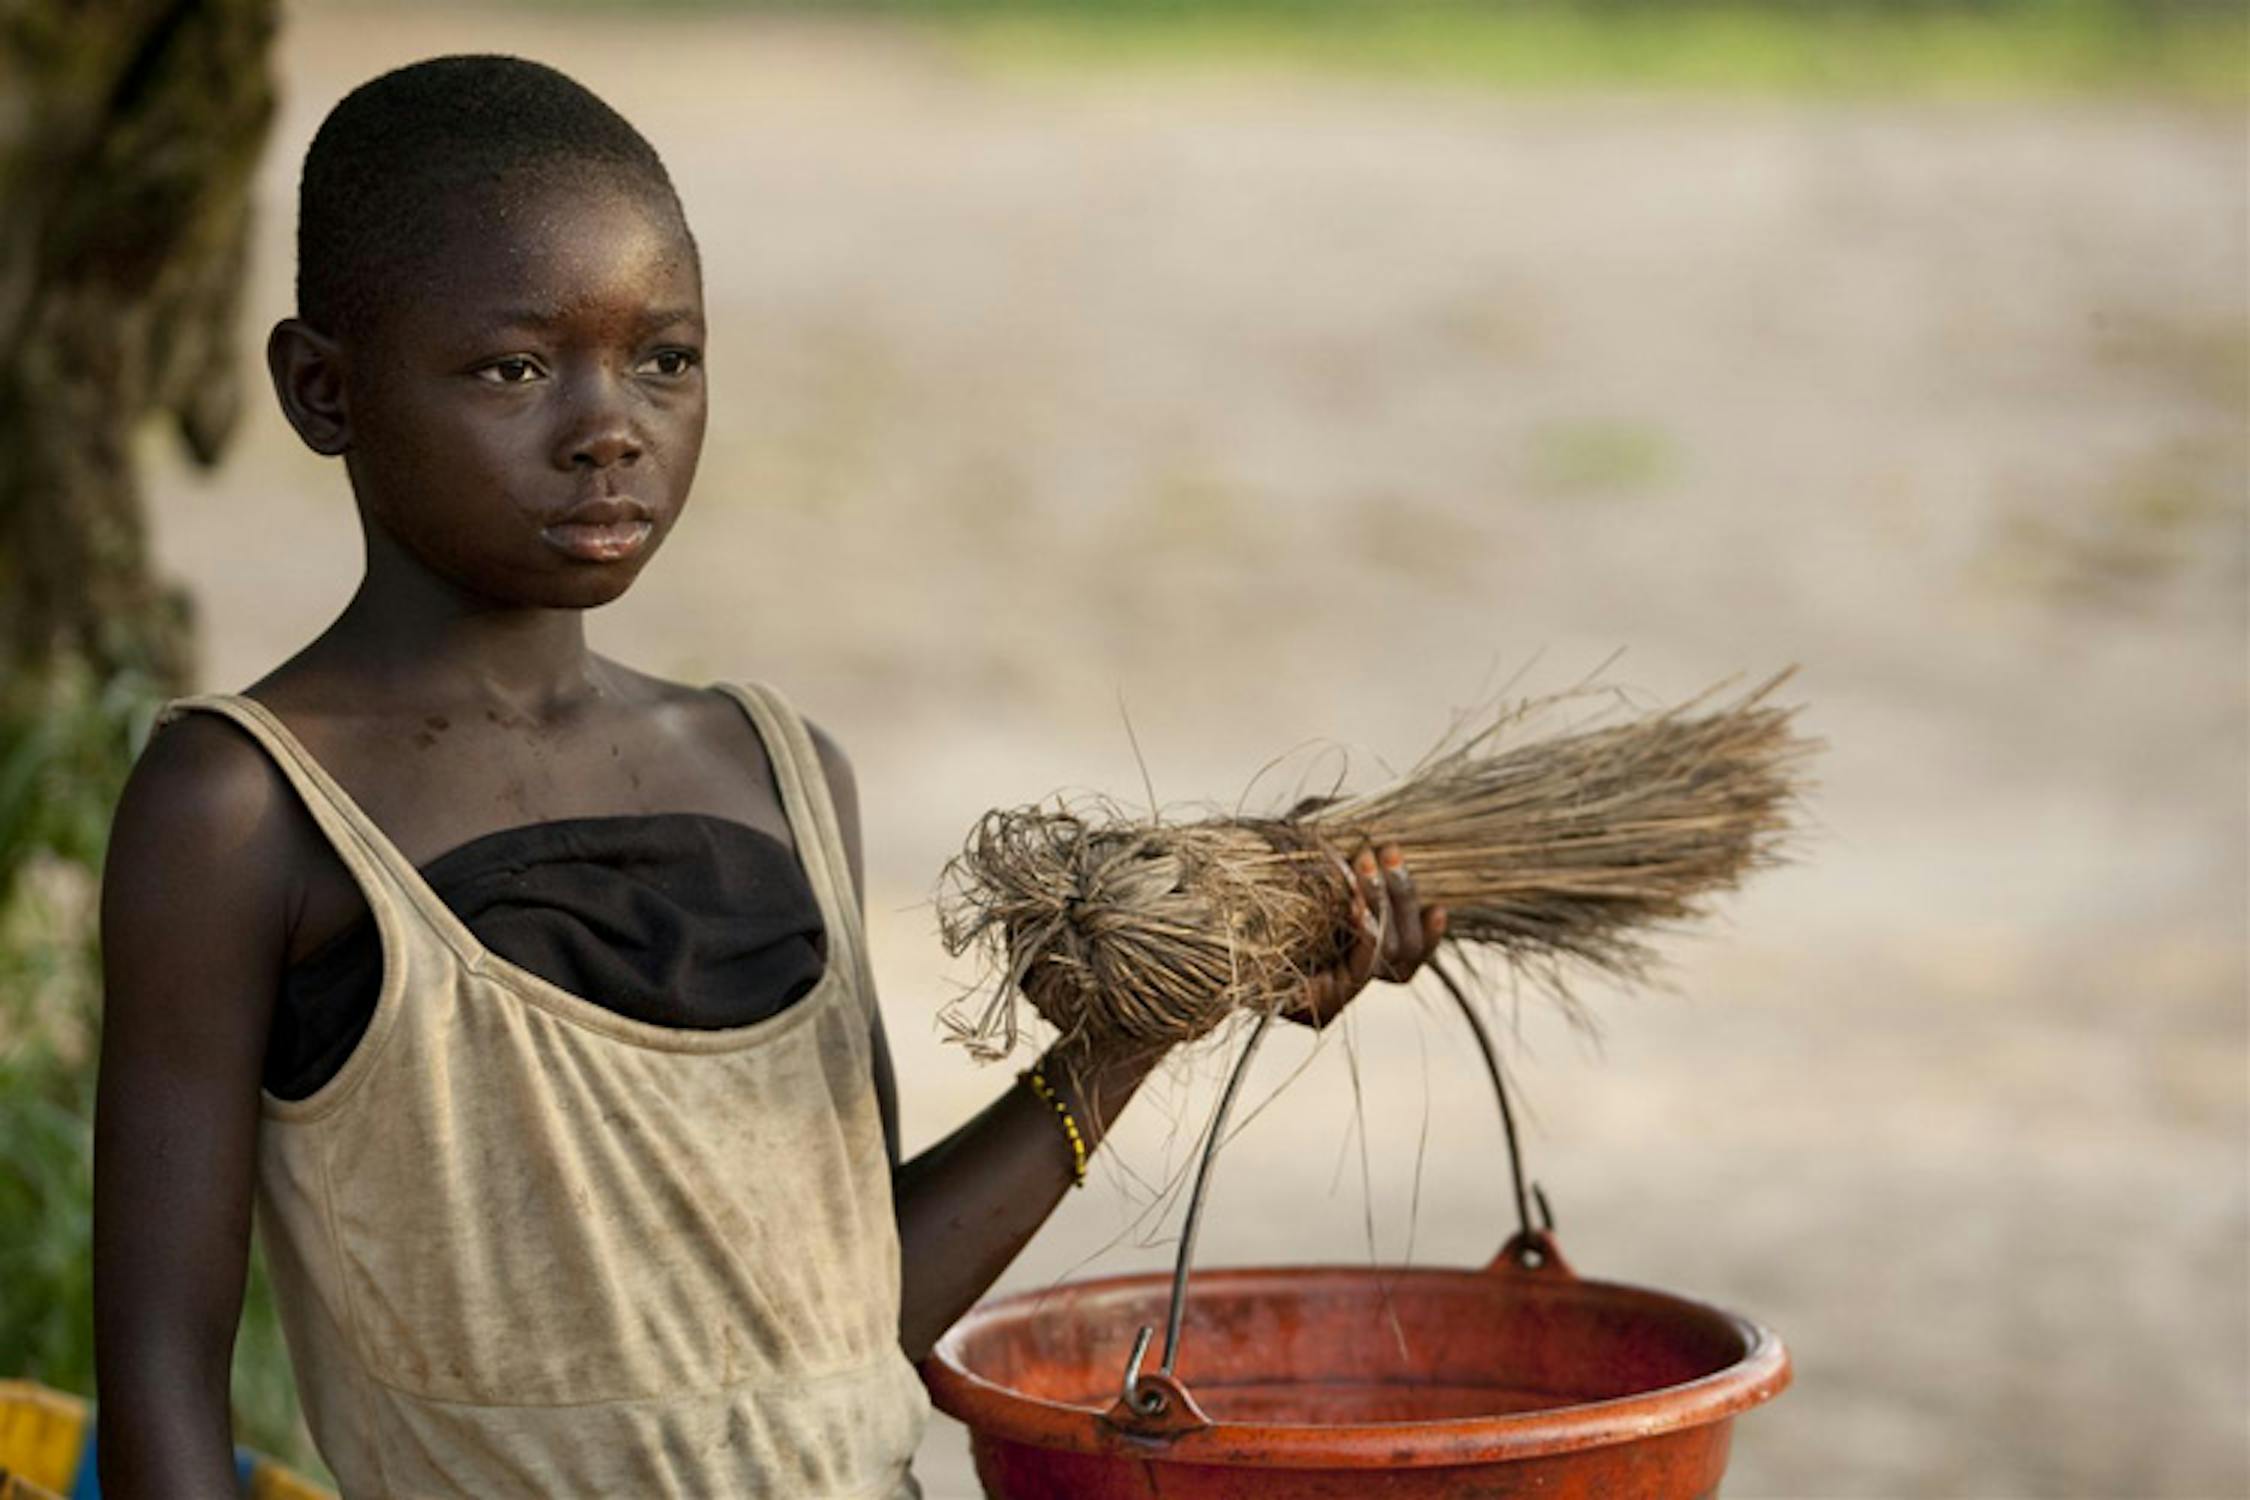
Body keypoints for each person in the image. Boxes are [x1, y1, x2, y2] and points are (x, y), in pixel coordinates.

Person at [90, 55, 1444, 1500]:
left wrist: (1133, 1037)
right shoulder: (248, 808)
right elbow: (162, 1375)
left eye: (664, 359)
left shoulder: (775, 773)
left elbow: (853, 1327)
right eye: (514, 368)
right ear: (322, 389)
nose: (609, 426)